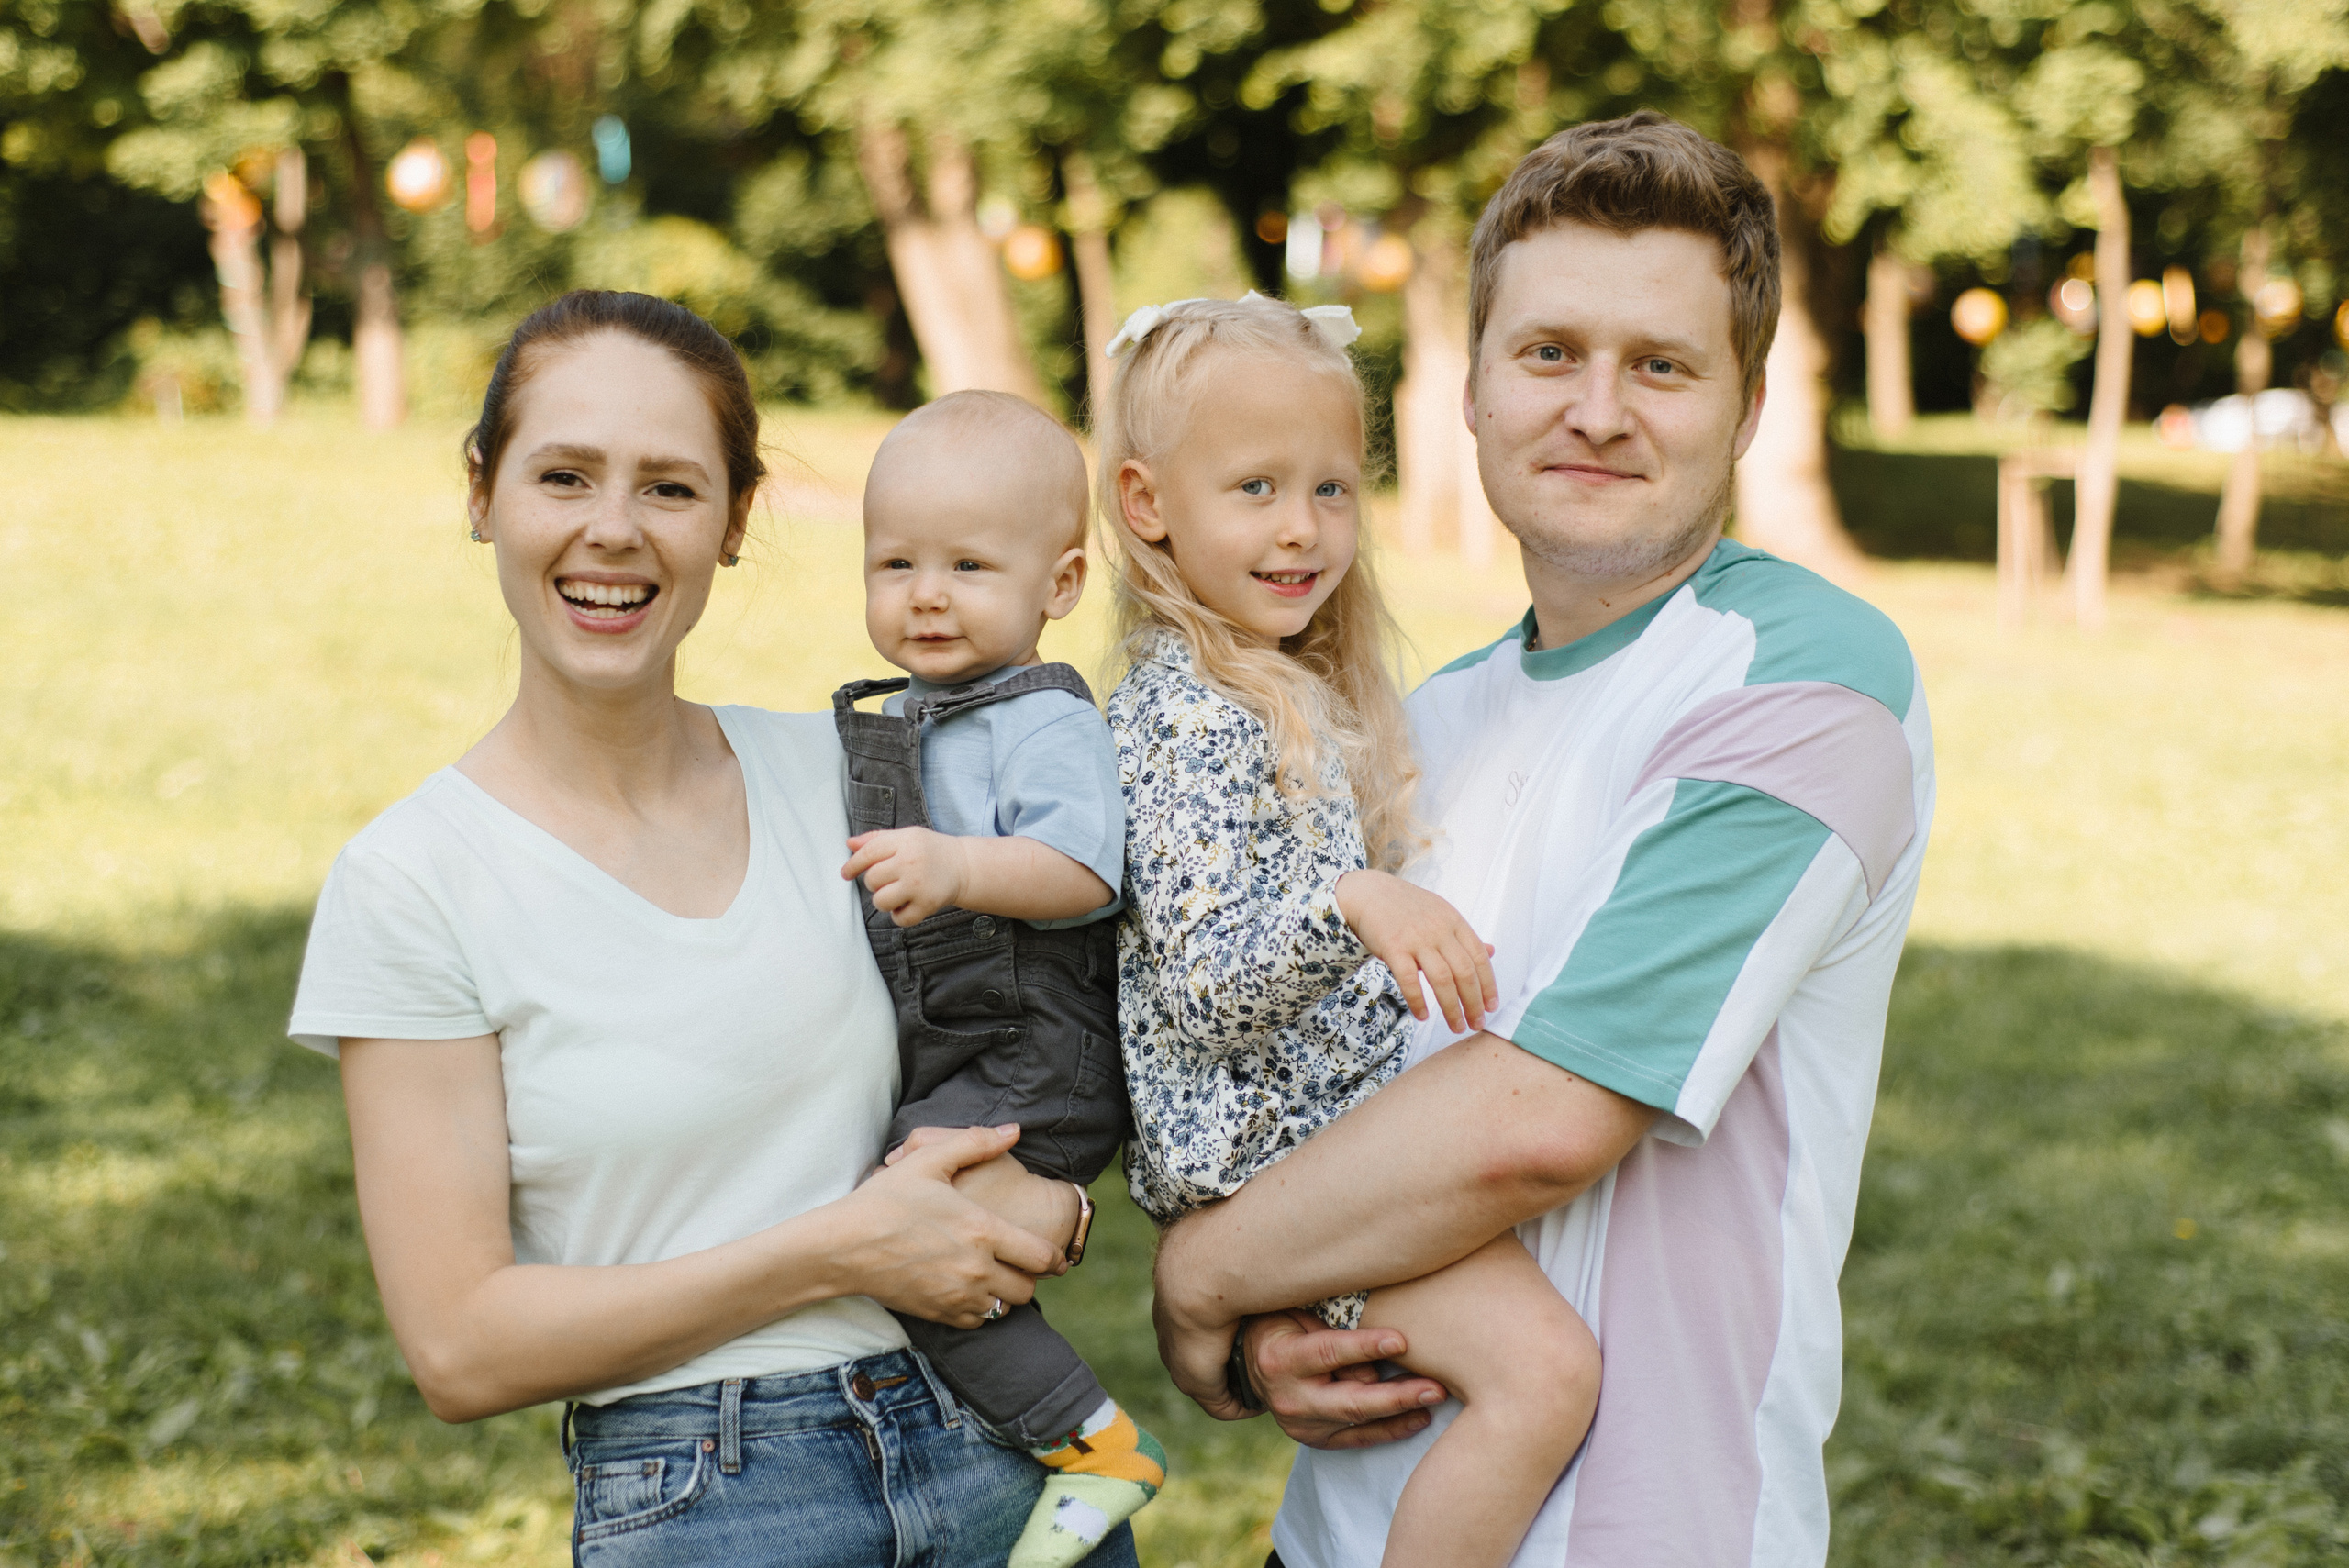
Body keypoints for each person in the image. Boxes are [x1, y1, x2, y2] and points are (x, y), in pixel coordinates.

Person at [1146, 114, 1937, 1567]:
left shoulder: (1802, 680)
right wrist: (1269, 1332)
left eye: (1662, 365)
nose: (1597, 409)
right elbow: (1319, 1099)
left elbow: (1541, 1124)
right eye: (1551, 353)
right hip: (1336, 1531)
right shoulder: (1414, 723)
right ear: (1472, 389)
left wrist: (1203, 1273)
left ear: (1748, 408)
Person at [286, 289, 1136, 1568]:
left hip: (1003, 1461)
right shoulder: (414, 881)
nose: (612, 532)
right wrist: (836, 1251)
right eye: (564, 475)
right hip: (717, 1503)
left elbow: (1065, 982)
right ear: (483, 493)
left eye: (671, 489)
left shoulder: (862, 771)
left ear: (736, 520)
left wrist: (1055, 1196)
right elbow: (460, 1348)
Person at [1098, 292, 1602, 1568]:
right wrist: (1353, 901)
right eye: (1256, 486)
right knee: (1543, 1375)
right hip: (1270, 1157)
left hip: (1308, 1135)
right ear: (1148, 504)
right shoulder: (1182, 713)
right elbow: (1207, 977)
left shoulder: (1280, 685)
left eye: (1331, 488)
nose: (1302, 527)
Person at [832, 389, 1164, 1568]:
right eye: (895, 561)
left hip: (1036, 1045)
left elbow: (1082, 870)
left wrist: (956, 861)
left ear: (1059, 584)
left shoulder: (1042, 723)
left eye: (970, 563)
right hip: (965, 1041)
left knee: (913, 1241)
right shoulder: (906, 713)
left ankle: (1093, 1442)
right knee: (910, 1233)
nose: (925, 592)